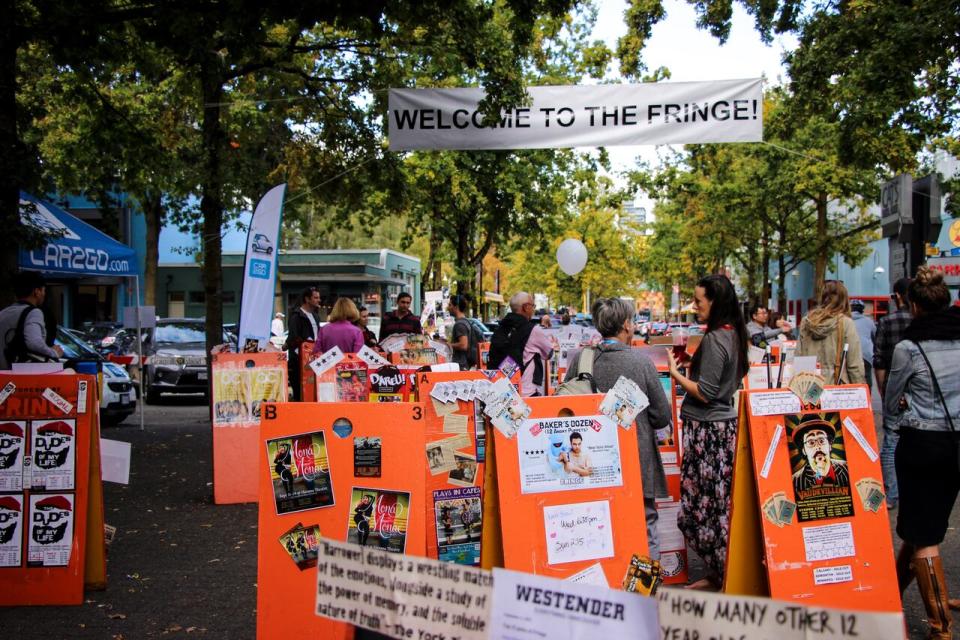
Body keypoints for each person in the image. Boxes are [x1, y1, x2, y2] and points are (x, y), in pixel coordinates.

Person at [884, 267, 960, 638]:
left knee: (923, 534)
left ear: (913, 307)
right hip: (957, 445)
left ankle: (941, 626)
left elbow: (891, 402)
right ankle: (890, 596)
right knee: (922, 527)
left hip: (922, 445)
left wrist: (898, 420)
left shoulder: (908, 349)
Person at [565, 297, 672, 560]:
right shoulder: (640, 363)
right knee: (645, 525)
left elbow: (566, 406)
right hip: (636, 460)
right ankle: (646, 591)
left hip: (592, 462)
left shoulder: (582, 359)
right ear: (626, 324)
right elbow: (661, 417)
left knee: (600, 528)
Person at [666, 275, 748, 589]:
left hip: (708, 432)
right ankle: (721, 573)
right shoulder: (733, 335)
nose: (695, 305)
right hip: (721, 427)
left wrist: (675, 374)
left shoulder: (716, 339)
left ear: (715, 302)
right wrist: (692, 364)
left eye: (699, 300)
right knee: (717, 506)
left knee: (700, 507)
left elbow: (706, 392)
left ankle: (723, 573)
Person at [873, 277, 912, 509]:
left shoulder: (886, 322)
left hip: (893, 387)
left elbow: (879, 360)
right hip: (919, 389)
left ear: (897, 296)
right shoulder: (921, 321)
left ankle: (891, 494)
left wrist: (883, 388)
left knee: (891, 440)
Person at [796, 280, 865, 384]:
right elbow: (854, 365)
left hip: (810, 387)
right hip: (837, 389)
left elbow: (798, 357)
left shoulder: (806, 322)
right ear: (844, 299)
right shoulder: (846, 323)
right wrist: (861, 390)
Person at [488, 291, 553, 396]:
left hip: (501, 393)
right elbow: (549, 353)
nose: (533, 309)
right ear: (526, 307)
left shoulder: (500, 328)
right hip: (526, 393)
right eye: (533, 306)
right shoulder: (532, 330)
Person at [0, 271, 63, 369]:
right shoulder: (34, 312)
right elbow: (34, 342)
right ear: (36, 292)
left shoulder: (3, 312)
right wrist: (53, 352)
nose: (44, 294)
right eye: (43, 290)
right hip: (19, 376)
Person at [791, 419, 850, 493]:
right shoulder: (795, 482)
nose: (818, 447)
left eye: (821, 440)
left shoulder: (849, 469)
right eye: (811, 442)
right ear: (804, 450)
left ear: (830, 445)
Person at [286, 287, 321, 401]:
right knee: (300, 392)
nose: (318, 300)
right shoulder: (296, 316)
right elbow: (293, 337)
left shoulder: (315, 316)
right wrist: (305, 345)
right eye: (315, 297)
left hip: (313, 359)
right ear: (307, 299)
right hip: (299, 361)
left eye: (318, 297)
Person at [448, 294, 479, 370]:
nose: (448, 308)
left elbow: (463, 345)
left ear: (456, 307)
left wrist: (449, 345)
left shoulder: (460, 324)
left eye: (450, 305)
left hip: (461, 365)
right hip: (465, 364)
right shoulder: (466, 322)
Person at [850, 299, 876, 392]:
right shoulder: (869, 321)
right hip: (866, 354)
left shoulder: (845, 321)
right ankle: (867, 396)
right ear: (862, 310)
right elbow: (875, 336)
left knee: (851, 377)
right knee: (867, 376)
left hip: (850, 354)